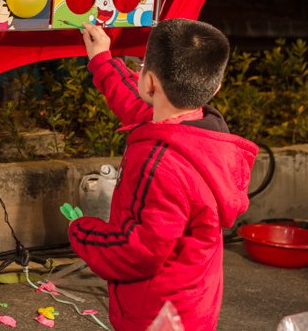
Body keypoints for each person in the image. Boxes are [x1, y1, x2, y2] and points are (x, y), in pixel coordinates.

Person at [64, 19, 258, 331]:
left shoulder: (159, 162)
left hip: (156, 314)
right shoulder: (203, 131)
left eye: (140, 68)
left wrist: (82, 233)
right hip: (195, 303)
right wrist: (101, 59)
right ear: (215, 87)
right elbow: (133, 102)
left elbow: (139, 250)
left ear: (150, 82)